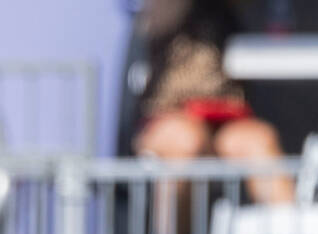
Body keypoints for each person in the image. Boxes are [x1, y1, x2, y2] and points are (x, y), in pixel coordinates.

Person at [125, 0, 293, 204]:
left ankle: (292, 233)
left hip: (226, 115)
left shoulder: (225, 11)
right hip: (170, 114)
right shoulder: (159, 11)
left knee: (260, 142)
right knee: (186, 142)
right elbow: (158, 15)